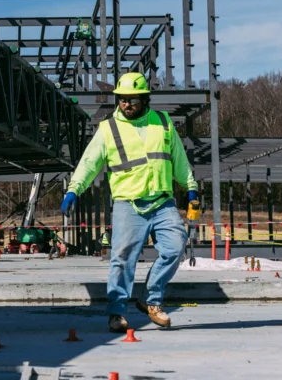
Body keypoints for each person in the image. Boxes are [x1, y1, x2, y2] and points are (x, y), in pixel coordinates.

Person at [61, 72, 198, 333]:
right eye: (122, 100)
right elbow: (89, 163)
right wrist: (74, 190)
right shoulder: (108, 129)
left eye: (131, 99)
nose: (126, 104)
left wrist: (190, 187)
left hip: (162, 202)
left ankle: (150, 300)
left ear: (144, 99)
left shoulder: (163, 122)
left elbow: (177, 159)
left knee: (175, 248)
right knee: (122, 259)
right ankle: (116, 313)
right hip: (128, 204)